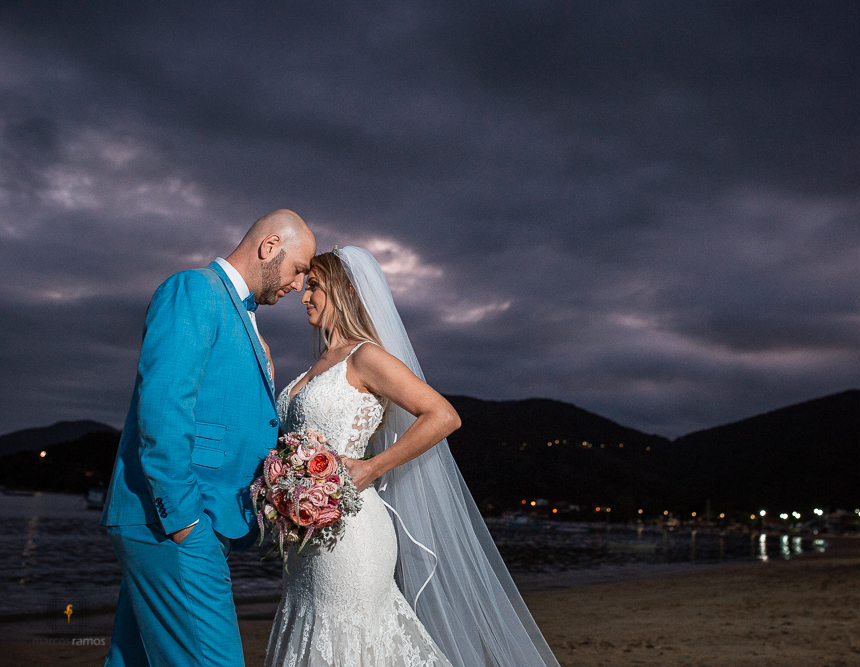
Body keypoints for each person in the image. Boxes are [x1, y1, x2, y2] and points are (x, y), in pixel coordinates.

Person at [265, 246, 560, 667]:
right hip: (303, 540)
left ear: (347, 291)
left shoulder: (365, 356)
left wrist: (371, 467)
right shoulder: (320, 363)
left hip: (350, 535)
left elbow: (443, 415)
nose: (304, 297)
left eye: (314, 286)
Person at [101, 209, 317, 667]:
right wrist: (184, 520)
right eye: (298, 270)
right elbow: (164, 407)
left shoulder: (243, 316)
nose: (299, 285)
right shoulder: (195, 289)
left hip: (195, 520)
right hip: (172, 520)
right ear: (270, 246)